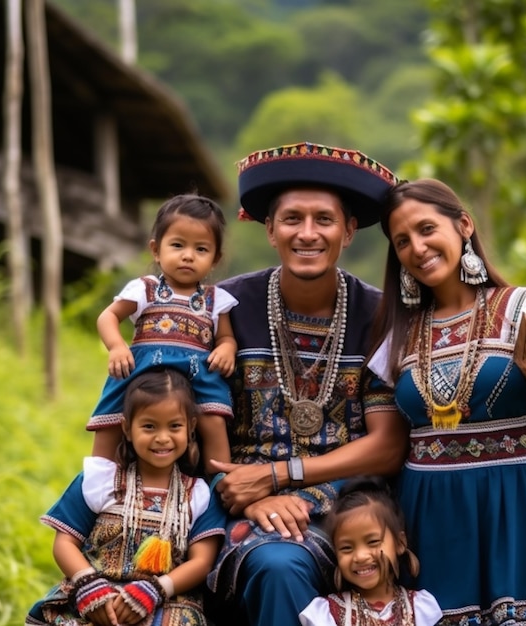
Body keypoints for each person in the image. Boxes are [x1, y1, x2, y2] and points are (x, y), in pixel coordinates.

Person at [367, 178, 526, 626]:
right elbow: (389, 442)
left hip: (520, 505)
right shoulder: (396, 337)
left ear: (463, 224)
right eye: (402, 241)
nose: (417, 248)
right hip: (432, 516)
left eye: (426, 229)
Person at [204, 142, 410, 626]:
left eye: (325, 219)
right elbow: (189, 416)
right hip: (239, 498)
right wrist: (246, 488)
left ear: (350, 230)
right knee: (278, 563)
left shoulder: (379, 315)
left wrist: (280, 476)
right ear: (270, 229)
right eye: (292, 219)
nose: (308, 233)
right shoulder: (224, 307)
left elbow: (386, 446)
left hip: (348, 505)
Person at [26, 367, 227, 626]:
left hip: (165, 599)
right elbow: (64, 543)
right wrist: (89, 585)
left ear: (191, 427)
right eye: (149, 426)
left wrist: (156, 589)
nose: (162, 438)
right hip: (96, 592)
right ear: (127, 429)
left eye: (174, 426)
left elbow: (202, 561)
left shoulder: (198, 494)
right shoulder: (100, 481)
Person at [88, 193, 237, 474]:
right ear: (156, 250)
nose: (188, 256)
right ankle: (98, 477)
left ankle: (220, 483)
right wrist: (117, 347)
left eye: (201, 249)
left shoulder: (216, 299)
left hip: (197, 371)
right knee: (113, 413)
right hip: (144, 366)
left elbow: (226, 337)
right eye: (178, 245)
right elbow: (108, 316)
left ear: (216, 259)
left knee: (214, 420)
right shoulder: (145, 288)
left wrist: (226, 349)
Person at [299, 475, 442, 626]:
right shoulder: (325, 614)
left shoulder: (421, 608)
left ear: (400, 543)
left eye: (373, 542)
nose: (360, 556)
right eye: (346, 548)